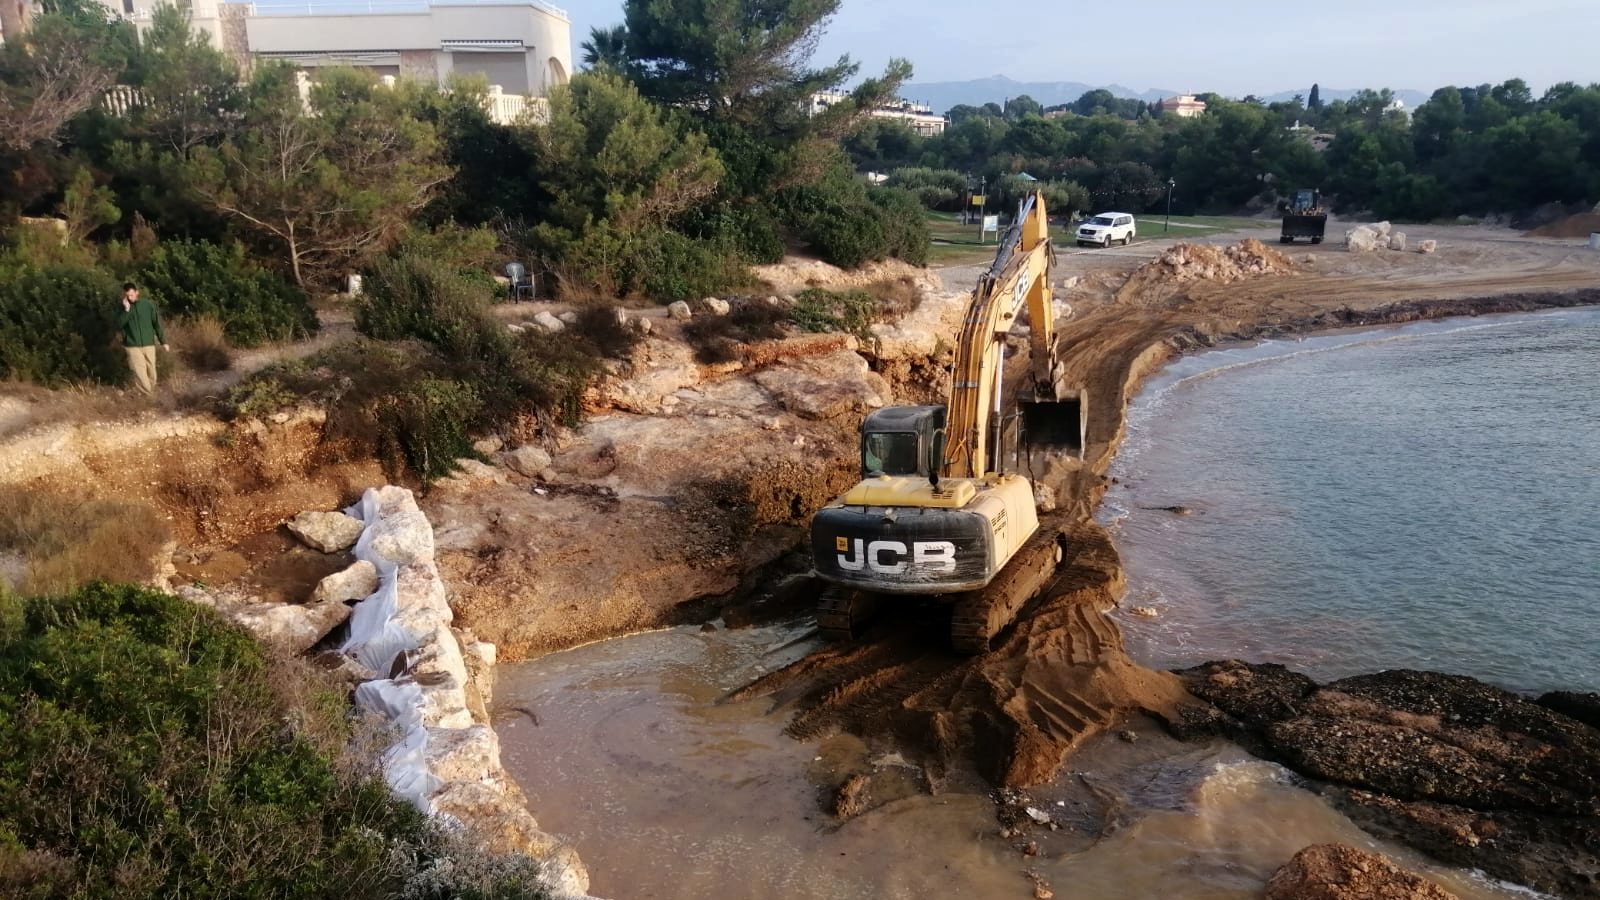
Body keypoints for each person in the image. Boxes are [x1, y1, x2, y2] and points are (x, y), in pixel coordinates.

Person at [117, 281, 168, 396]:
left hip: (148, 344)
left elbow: (156, 323)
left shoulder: (147, 305)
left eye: (132, 294)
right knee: (140, 372)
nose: (130, 297)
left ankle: (150, 392)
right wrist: (127, 310)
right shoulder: (122, 308)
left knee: (152, 373)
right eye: (127, 295)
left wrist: (163, 341)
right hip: (132, 345)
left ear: (137, 293)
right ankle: (149, 397)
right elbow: (118, 324)